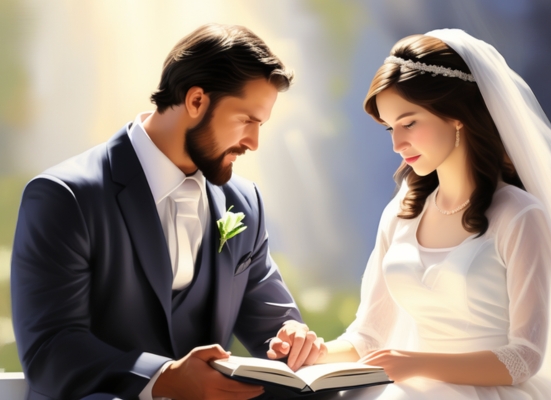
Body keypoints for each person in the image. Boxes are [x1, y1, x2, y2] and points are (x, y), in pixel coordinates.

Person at [11, 23, 325, 400]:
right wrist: (164, 376)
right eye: (246, 120)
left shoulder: (244, 203)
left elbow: (274, 326)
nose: (254, 142)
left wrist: (292, 340)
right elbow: (50, 350)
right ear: (196, 101)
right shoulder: (65, 197)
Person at [313, 29, 551, 399]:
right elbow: (368, 337)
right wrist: (314, 352)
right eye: (390, 128)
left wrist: (416, 364)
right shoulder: (401, 214)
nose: (397, 144)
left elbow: (524, 358)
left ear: (456, 115)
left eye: (409, 122)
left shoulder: (519, 215)